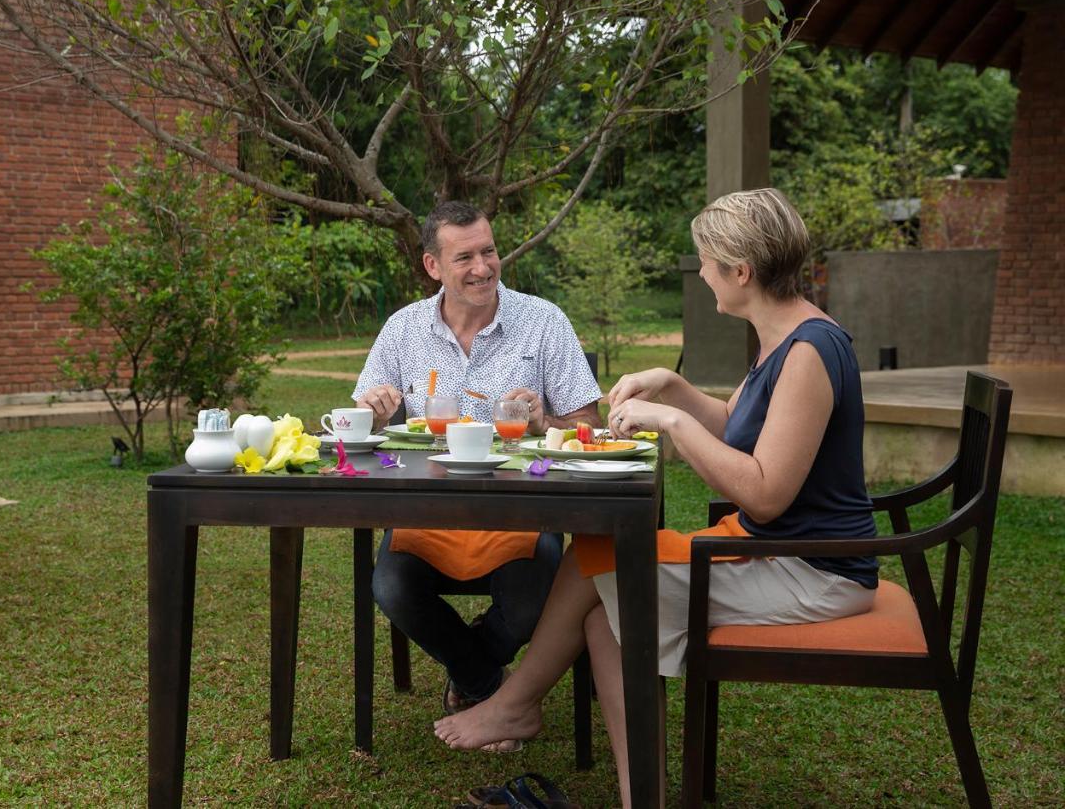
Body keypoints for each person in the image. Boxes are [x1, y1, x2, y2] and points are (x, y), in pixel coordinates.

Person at [433, 188, 879, 806]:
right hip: (775, 551)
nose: (700, 273)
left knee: (603, 565)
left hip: (810, 568)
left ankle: (515, 705)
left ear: (741, 271)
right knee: (602, 594)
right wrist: (673, 387)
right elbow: (741, 428)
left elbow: (767, 493)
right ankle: (632, 790)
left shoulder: (808, 351)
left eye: (705, 261)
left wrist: (672, 423)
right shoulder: (785, 337)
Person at [352, 200, 603, 723]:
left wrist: (544, 424)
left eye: (488, 251)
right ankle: (490, 684)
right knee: (391, 587)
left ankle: (475, 676)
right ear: (433, 266)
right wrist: (373, 411)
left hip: (521, 517)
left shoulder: (542, 322)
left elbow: (589, 430)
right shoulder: (403, 330)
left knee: (537, 601)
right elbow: (362, 420)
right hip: (427, 516)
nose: (483, 268)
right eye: (464, 257)